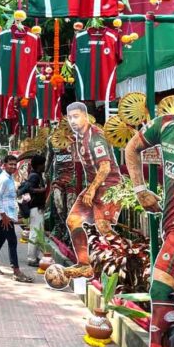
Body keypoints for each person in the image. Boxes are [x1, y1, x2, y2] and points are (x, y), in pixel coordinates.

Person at [115, 113, 174, 347]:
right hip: (171, 225)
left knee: (161, 287)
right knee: (162, 289)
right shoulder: (166, 124)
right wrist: (140, 189)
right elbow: (131, 147)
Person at [63, 102, 123, 279]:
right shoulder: (79, 137)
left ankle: (128, 259)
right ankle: (84, 265)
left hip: (109, 186)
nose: (73, 121)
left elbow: (105, 167)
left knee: (103, 227)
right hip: (94, 186)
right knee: (73, 220)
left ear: (85, 116)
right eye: (70, 118)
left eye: (76, 116)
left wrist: (91, 190)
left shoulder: (96, 136)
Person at [0, 155, 33, 282]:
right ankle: (16, 271)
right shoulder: (3, 179)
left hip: (8, 215)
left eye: (14, 164)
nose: (13, 166)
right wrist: (4, 216)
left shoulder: (9, 178)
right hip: (5, 216)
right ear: (4, 165)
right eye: (10, 164)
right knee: (12, 241)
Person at [18, 154, 49, 267]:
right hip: (35, 208)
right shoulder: (34, 176)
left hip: (37, 208)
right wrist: (41, 190)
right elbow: (28, 188)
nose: (44, 166)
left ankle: (34, 257)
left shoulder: (37, 175)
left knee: (37, 232)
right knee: (35, 233)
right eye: (43, 164)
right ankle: (31, 258)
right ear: (39, 165)